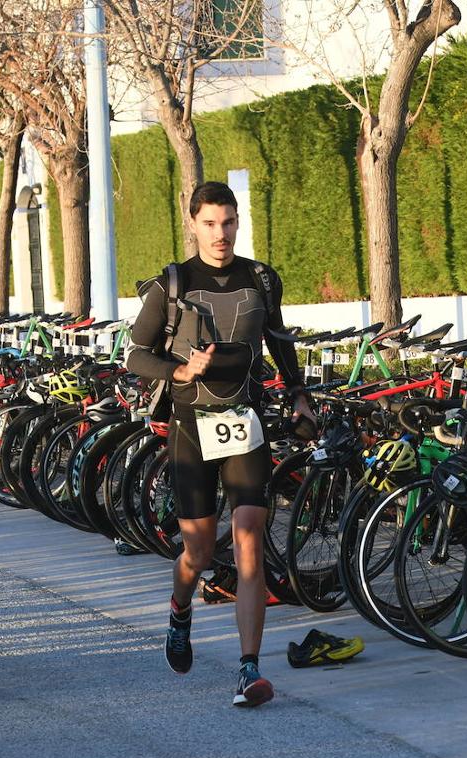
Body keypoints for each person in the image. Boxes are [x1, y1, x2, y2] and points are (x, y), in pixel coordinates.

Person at [126, 182, 313, 706]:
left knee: (251, 535)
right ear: (193, 224)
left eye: (228, 222)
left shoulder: (261, 279)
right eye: (210, 223)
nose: (221, 234)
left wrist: (298, 394)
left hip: (244, 421)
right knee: (201, 551)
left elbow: (279, 343)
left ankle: (249, 669)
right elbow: (136, 355)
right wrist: (181, 368)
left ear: (237, 223)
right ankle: (179, 610)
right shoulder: (173, 284)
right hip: (191, 425)